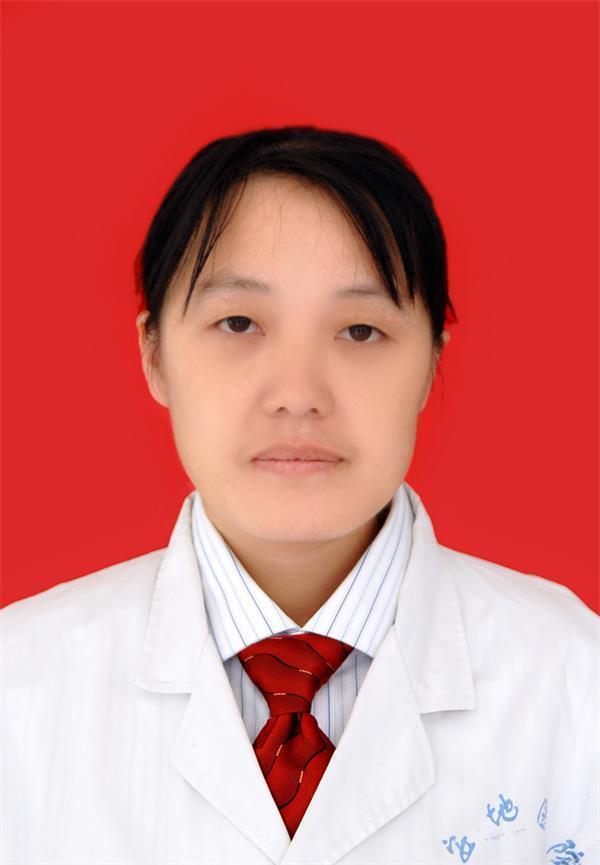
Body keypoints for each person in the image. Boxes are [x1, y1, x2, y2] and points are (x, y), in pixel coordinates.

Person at [1, 125, 598, 865]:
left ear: (431, 360)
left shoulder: (576, 682)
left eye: (360, 330)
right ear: (154, 354)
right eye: (239, 323)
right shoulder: (18, 690)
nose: (298, 394)